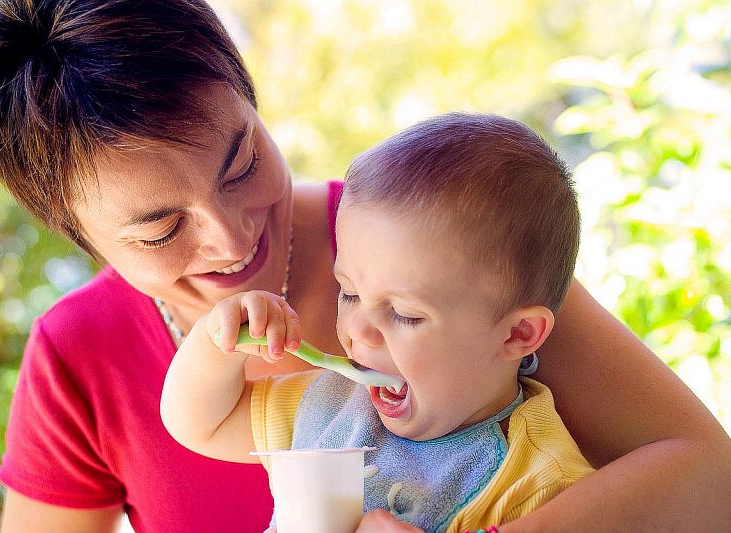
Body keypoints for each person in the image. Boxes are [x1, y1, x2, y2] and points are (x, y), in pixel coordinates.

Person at [0, 1, 731, 532]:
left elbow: (720, 490)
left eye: (242, 163)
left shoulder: (439, 237)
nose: (233, 241)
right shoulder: (78, 354)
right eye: (162, 228)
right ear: (80, 236)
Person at [161, 113, 597, 531]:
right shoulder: (334, 407)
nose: (357, 330)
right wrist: (215, 340)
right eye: (348, 293)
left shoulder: (540, 482)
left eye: (404, 314)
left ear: (518, 334)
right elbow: (201, 426)